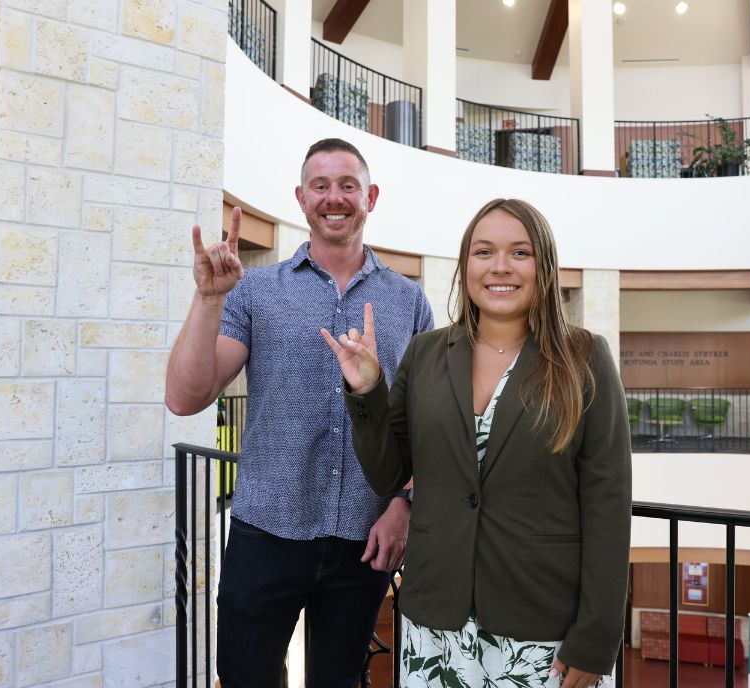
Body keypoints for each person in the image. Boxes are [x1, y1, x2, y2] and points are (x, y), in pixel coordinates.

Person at [323, 198, 632, 688]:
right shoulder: (426, 353)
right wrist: (366, 391)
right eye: (484, 252)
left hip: (542, 633)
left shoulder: (584, 358)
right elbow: (387, 472)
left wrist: (596, 640)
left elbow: (608, 508)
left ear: (543, 266)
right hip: (435, 628)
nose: (500, 267)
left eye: (520, 253)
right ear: (466, 266)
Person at [165, 138, 434, 687]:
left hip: (365, 538)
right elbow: (186, 397)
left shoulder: (408, 301)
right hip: (266, 531)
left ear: (371, 197)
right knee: (246, 678)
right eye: (321, 185)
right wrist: (209, 299)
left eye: (348, 185)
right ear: (301, 198)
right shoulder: (255, 290)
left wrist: (405, 501)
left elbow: (425, 424)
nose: (334, 197)